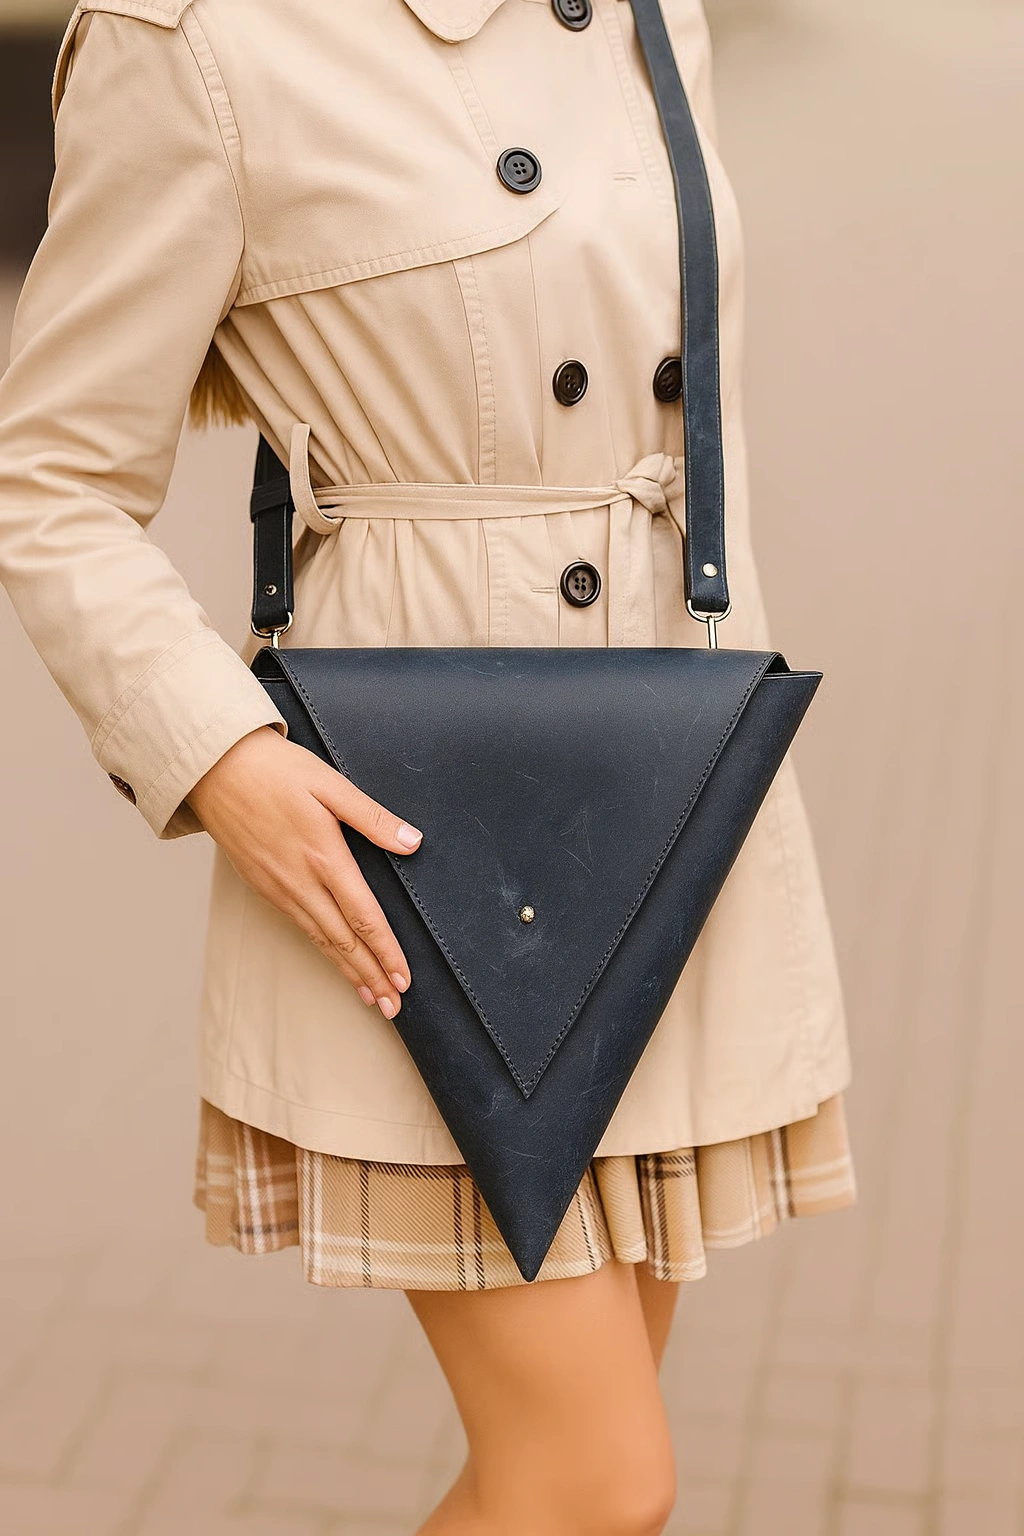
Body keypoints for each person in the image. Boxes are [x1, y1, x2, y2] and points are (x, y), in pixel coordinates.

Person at [0, 1, 856, 1530]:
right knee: (597, 1482)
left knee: (576, 1484)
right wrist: (220, 753)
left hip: (659, 794)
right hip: (419, 847)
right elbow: (50, 479)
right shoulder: (197, 42)